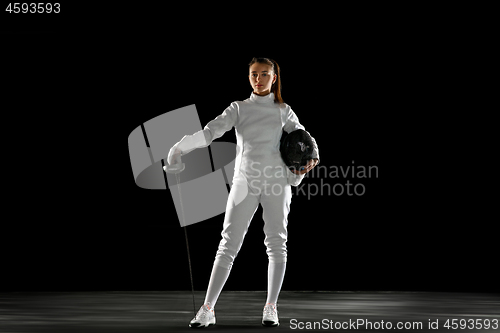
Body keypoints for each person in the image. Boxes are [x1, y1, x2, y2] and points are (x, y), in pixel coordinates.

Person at [167, 57, 319, 328]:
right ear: (249, 77)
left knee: (276, 244)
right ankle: (208, 308)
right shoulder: (239, 108)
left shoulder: (284, 110)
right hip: (244, 183)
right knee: (227, 245)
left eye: (264, 74)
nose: (258, 79)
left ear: (274, 78)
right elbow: (210, 132)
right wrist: (179, 148)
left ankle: (271, 306)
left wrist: (309, 161)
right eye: (254, 74)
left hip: (276, 183)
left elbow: (304, 139)